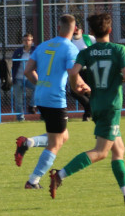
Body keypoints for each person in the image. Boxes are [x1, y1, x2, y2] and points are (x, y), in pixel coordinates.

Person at [49, 12, 125, 205]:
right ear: (110, 30)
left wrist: (76, 86)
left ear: (92, 32)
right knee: (101, 152)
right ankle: (59, 175)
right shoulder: (119, 49)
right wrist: (113, 80)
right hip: (111, 107)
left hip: (95, 105)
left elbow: (74, 72)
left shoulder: (86, 52)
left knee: (118, 150)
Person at [14, 14, 87, 189]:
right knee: (56, 143)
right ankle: (33, 181)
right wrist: (82, 87)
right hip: (55, 99)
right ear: (75, 30)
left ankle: (28, 142)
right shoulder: (70, 49)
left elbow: (28, 71)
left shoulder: (43, 46)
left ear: (58, 28)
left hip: (40, 96)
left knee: (63, 136)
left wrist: (40, 85)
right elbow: (72, 73)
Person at [70, 23, 94, 120]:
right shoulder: (69, 41)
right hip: (76, 71)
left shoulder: (89, 39)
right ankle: (90, 108)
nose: (75, 31)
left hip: (88, 70)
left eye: (77, 29)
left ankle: (87, 114)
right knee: (74, 91)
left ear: (81, 31)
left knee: (88, 91)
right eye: (74, 29)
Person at [11, 33, 36, 119]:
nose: (26, 42)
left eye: (28, 40)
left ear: (32, 41)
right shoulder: (18, 51)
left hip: (30, 78)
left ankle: (32, 105)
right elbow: (13, 63)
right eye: (25, 40)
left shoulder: (35, 50)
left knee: (39, 87)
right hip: (18, 78)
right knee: (18, 100)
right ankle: (20, 118)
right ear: (22, 41)